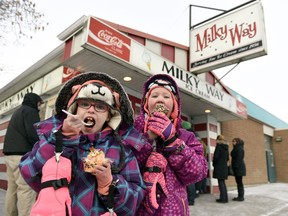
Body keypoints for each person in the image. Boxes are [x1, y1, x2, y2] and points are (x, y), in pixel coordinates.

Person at [19, 72, 146, 216]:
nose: (91, 110)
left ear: (109, 116)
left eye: (100, 107)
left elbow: (133, 203)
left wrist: (110, 182)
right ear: (74, 109)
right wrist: (63, 138)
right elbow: (29, 173)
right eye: (84, 104)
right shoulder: (54, 137)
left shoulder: (122, 150)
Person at [133, 74, 208, 215]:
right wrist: (147, 138)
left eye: (166, 97)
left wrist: (172, 141)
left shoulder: (186, 136)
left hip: (174, 211)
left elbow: (197, 173)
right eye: (154, 96)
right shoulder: (133, 131)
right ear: (146, 103)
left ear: (175, 104)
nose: (160, 100)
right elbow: (125, 166)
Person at [3, 92, 44, 216]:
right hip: (22, 156)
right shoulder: (30, 111)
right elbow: (33, 133)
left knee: (12, 189)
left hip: (9, 155)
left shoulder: (18, 112)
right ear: (34, 102)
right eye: (39, 103)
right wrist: (42, 144)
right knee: (26, 189)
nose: (40, 106)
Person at [213, 135, 229, 203]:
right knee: (223, 183)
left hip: (219, 167)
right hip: (224, 167)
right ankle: (225, 198)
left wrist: (214, 164)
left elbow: (216, 157)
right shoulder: (226, 148)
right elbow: (227, 158)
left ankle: (222, 199)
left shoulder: (218, 147)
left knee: (220, 183)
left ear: (218, 140)